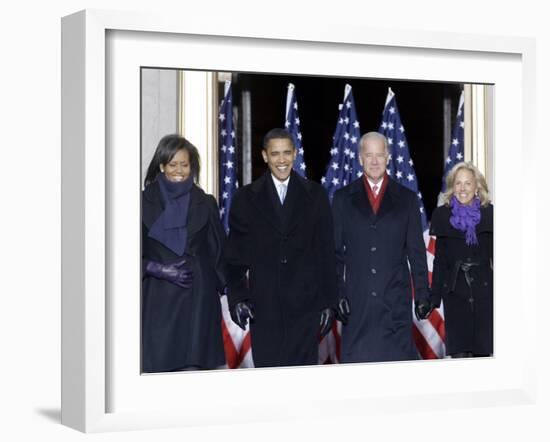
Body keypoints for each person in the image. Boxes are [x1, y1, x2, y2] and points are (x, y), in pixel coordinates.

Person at [224, 128, 337, 367]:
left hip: (305, 309)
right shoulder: (245, 198)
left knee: (302, 383)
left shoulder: (315, 196)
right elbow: (234, 257)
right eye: (275, 154)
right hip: (264, 309)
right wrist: (238, 299)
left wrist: (328, 301)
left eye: (287, 153)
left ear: (295, 154)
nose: (282, 160)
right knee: (269, 384)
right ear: (265, 156)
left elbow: (326, 253)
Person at [332, 131, 431, 363]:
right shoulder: (342, 199)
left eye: (379, 155)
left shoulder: (407, 199)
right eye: (369, 155)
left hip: (395, 305)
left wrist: (423, 295)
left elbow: (416, 253)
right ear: (360, 158)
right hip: (356, 307)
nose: (374, 161)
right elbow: (333, 253)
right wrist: (337, 294)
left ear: (388, 157)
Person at [141, 134, 226, 373]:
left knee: (194, 378)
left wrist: (231, 292)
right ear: (161, 165)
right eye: (172, 164)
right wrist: (155, 269)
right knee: (157, 375)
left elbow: (219, 253)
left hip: (198, 303)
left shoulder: (206, 202)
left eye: (185, 164)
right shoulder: (138, 202)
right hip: (157, 300)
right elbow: (120, 257)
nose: (179, 170)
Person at [430, 162, 493, 358]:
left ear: (477, 187)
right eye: (458, 183)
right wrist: (434, 298)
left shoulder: (490, 213)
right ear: (452, 187)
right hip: (455, 295)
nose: (463, 188)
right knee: (459, 360)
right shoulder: (442, 215)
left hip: (485, 296)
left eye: (468, 183)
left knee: (484, 359)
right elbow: (440, 262)